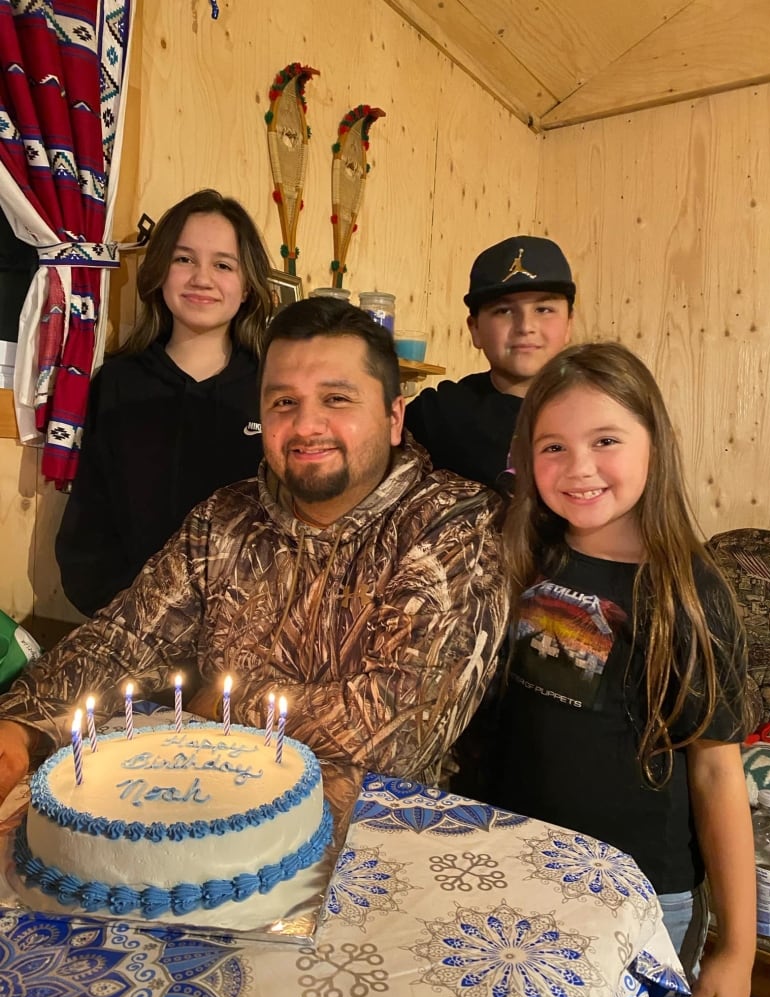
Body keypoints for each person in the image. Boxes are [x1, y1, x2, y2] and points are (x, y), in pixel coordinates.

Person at [0, 297, 508, 833]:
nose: (307, 425)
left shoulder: (458, 526)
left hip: (376, 841)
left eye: (337, 398)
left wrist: (223, 704)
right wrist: (20, 725)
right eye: (283, 402)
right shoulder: (226, 517)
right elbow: (127, 640)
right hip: (199, 815)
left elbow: (401, 725)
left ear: (392, 417)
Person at [489, 341, 755, 997]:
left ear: (654, 446)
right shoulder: (527, 557)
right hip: (521, 866)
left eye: (605, 440)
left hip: (642, 897)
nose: (578, 468)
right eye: (553, 447)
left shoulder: (691, 595)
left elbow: (718, 774)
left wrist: (738, 947)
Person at [55, 189, 272, 617]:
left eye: (223, 265)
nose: (202, 278)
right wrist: (127, 613)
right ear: (160, 272)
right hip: (127, 627)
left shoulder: (274, 391)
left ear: (247, 286)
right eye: (184, 259)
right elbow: (87, 527)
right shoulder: (118, 383)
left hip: (244, 633)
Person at [404, 235, 575, 491]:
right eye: (504, 311)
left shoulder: (600, 411)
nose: (525, 327)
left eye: (544, 309)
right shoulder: (436, 416)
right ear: (475, 329)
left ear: (569, 324)